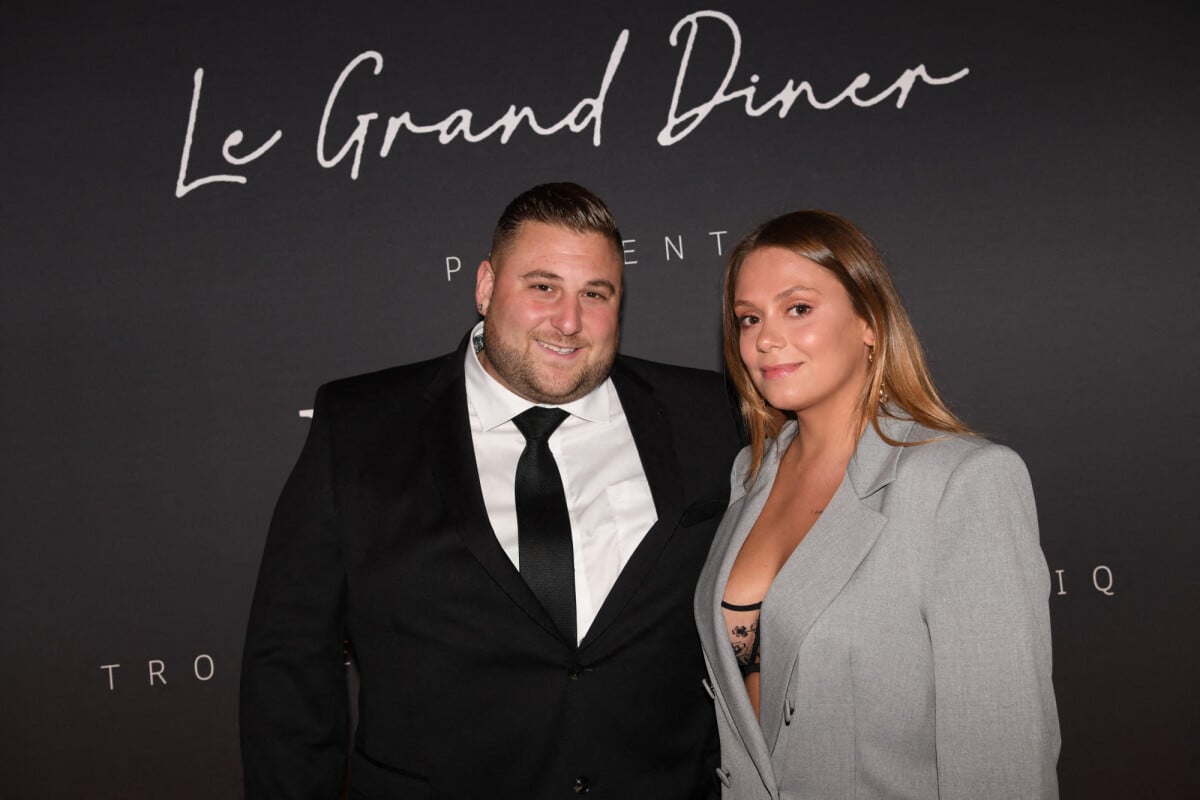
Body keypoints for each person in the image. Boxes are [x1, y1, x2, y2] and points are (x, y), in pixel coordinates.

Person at [240, 182, 743, 799]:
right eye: (542, 287)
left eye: (595, 294)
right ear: (485, 286)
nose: (568, 321)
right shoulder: (360, 427)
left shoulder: (708, 417)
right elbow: (289, 662)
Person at [694, 210, 1060, 798]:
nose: (765, 338)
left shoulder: (962, 484)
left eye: (799, 308)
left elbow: (1003, 756)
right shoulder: (750, 475)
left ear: (868, 321)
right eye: (748, 318)